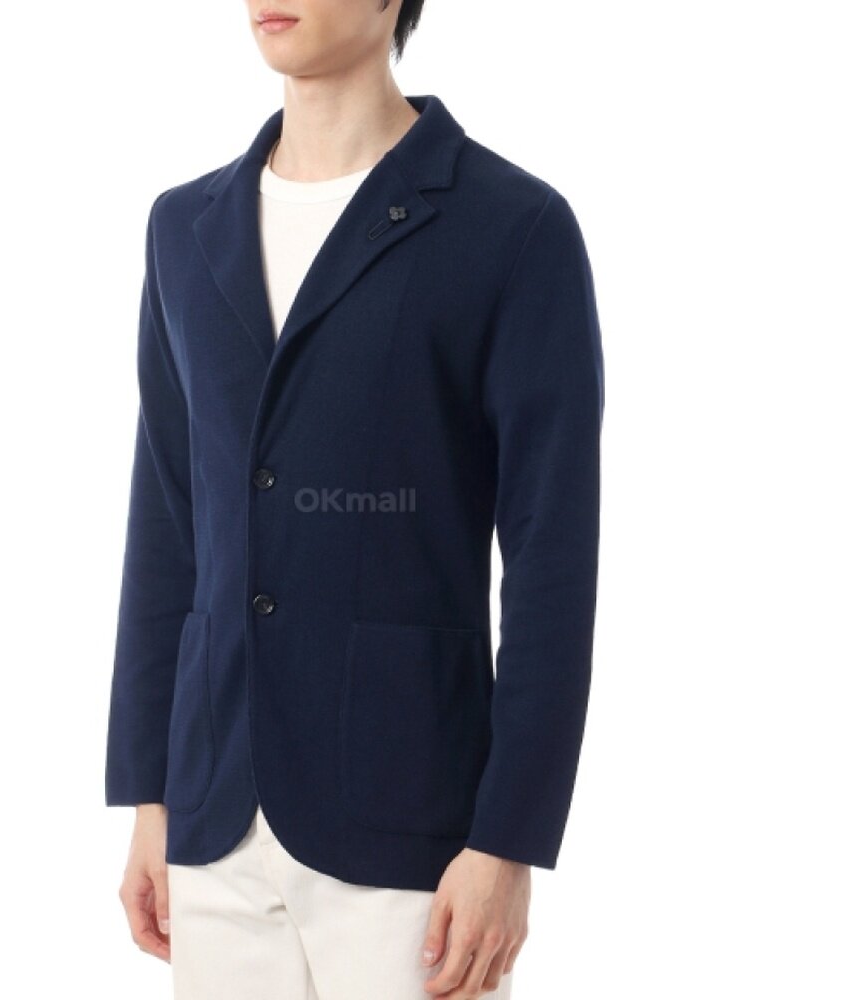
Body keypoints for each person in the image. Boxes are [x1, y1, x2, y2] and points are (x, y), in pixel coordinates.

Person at [105, 2, 605, 997]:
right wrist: (150, 795)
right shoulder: (184, 228)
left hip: (413, 827)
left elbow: (552, 559)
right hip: (214, 815)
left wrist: (507, 839)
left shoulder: (512, 227)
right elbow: (168, 522)